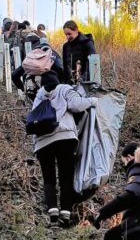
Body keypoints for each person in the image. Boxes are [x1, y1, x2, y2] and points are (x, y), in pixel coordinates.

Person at [28, 73, 96, 225]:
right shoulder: (64, 88)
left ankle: (52, 212)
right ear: (58, 81)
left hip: (42, 142)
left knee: (49, 178)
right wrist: (92, 100)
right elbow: (76, 105)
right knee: (66, 176)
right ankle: (65, 213)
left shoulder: (40, 95)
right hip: (64, 137)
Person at [62, 20, 96, 84]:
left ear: (76, 30)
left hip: (85, 83)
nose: (67, 37)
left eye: (69, 34)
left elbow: (92, 66)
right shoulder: (65, 47)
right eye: (66, 34)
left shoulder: (87, 43)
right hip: (70, 83)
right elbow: (65, 68)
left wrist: (82, 79)